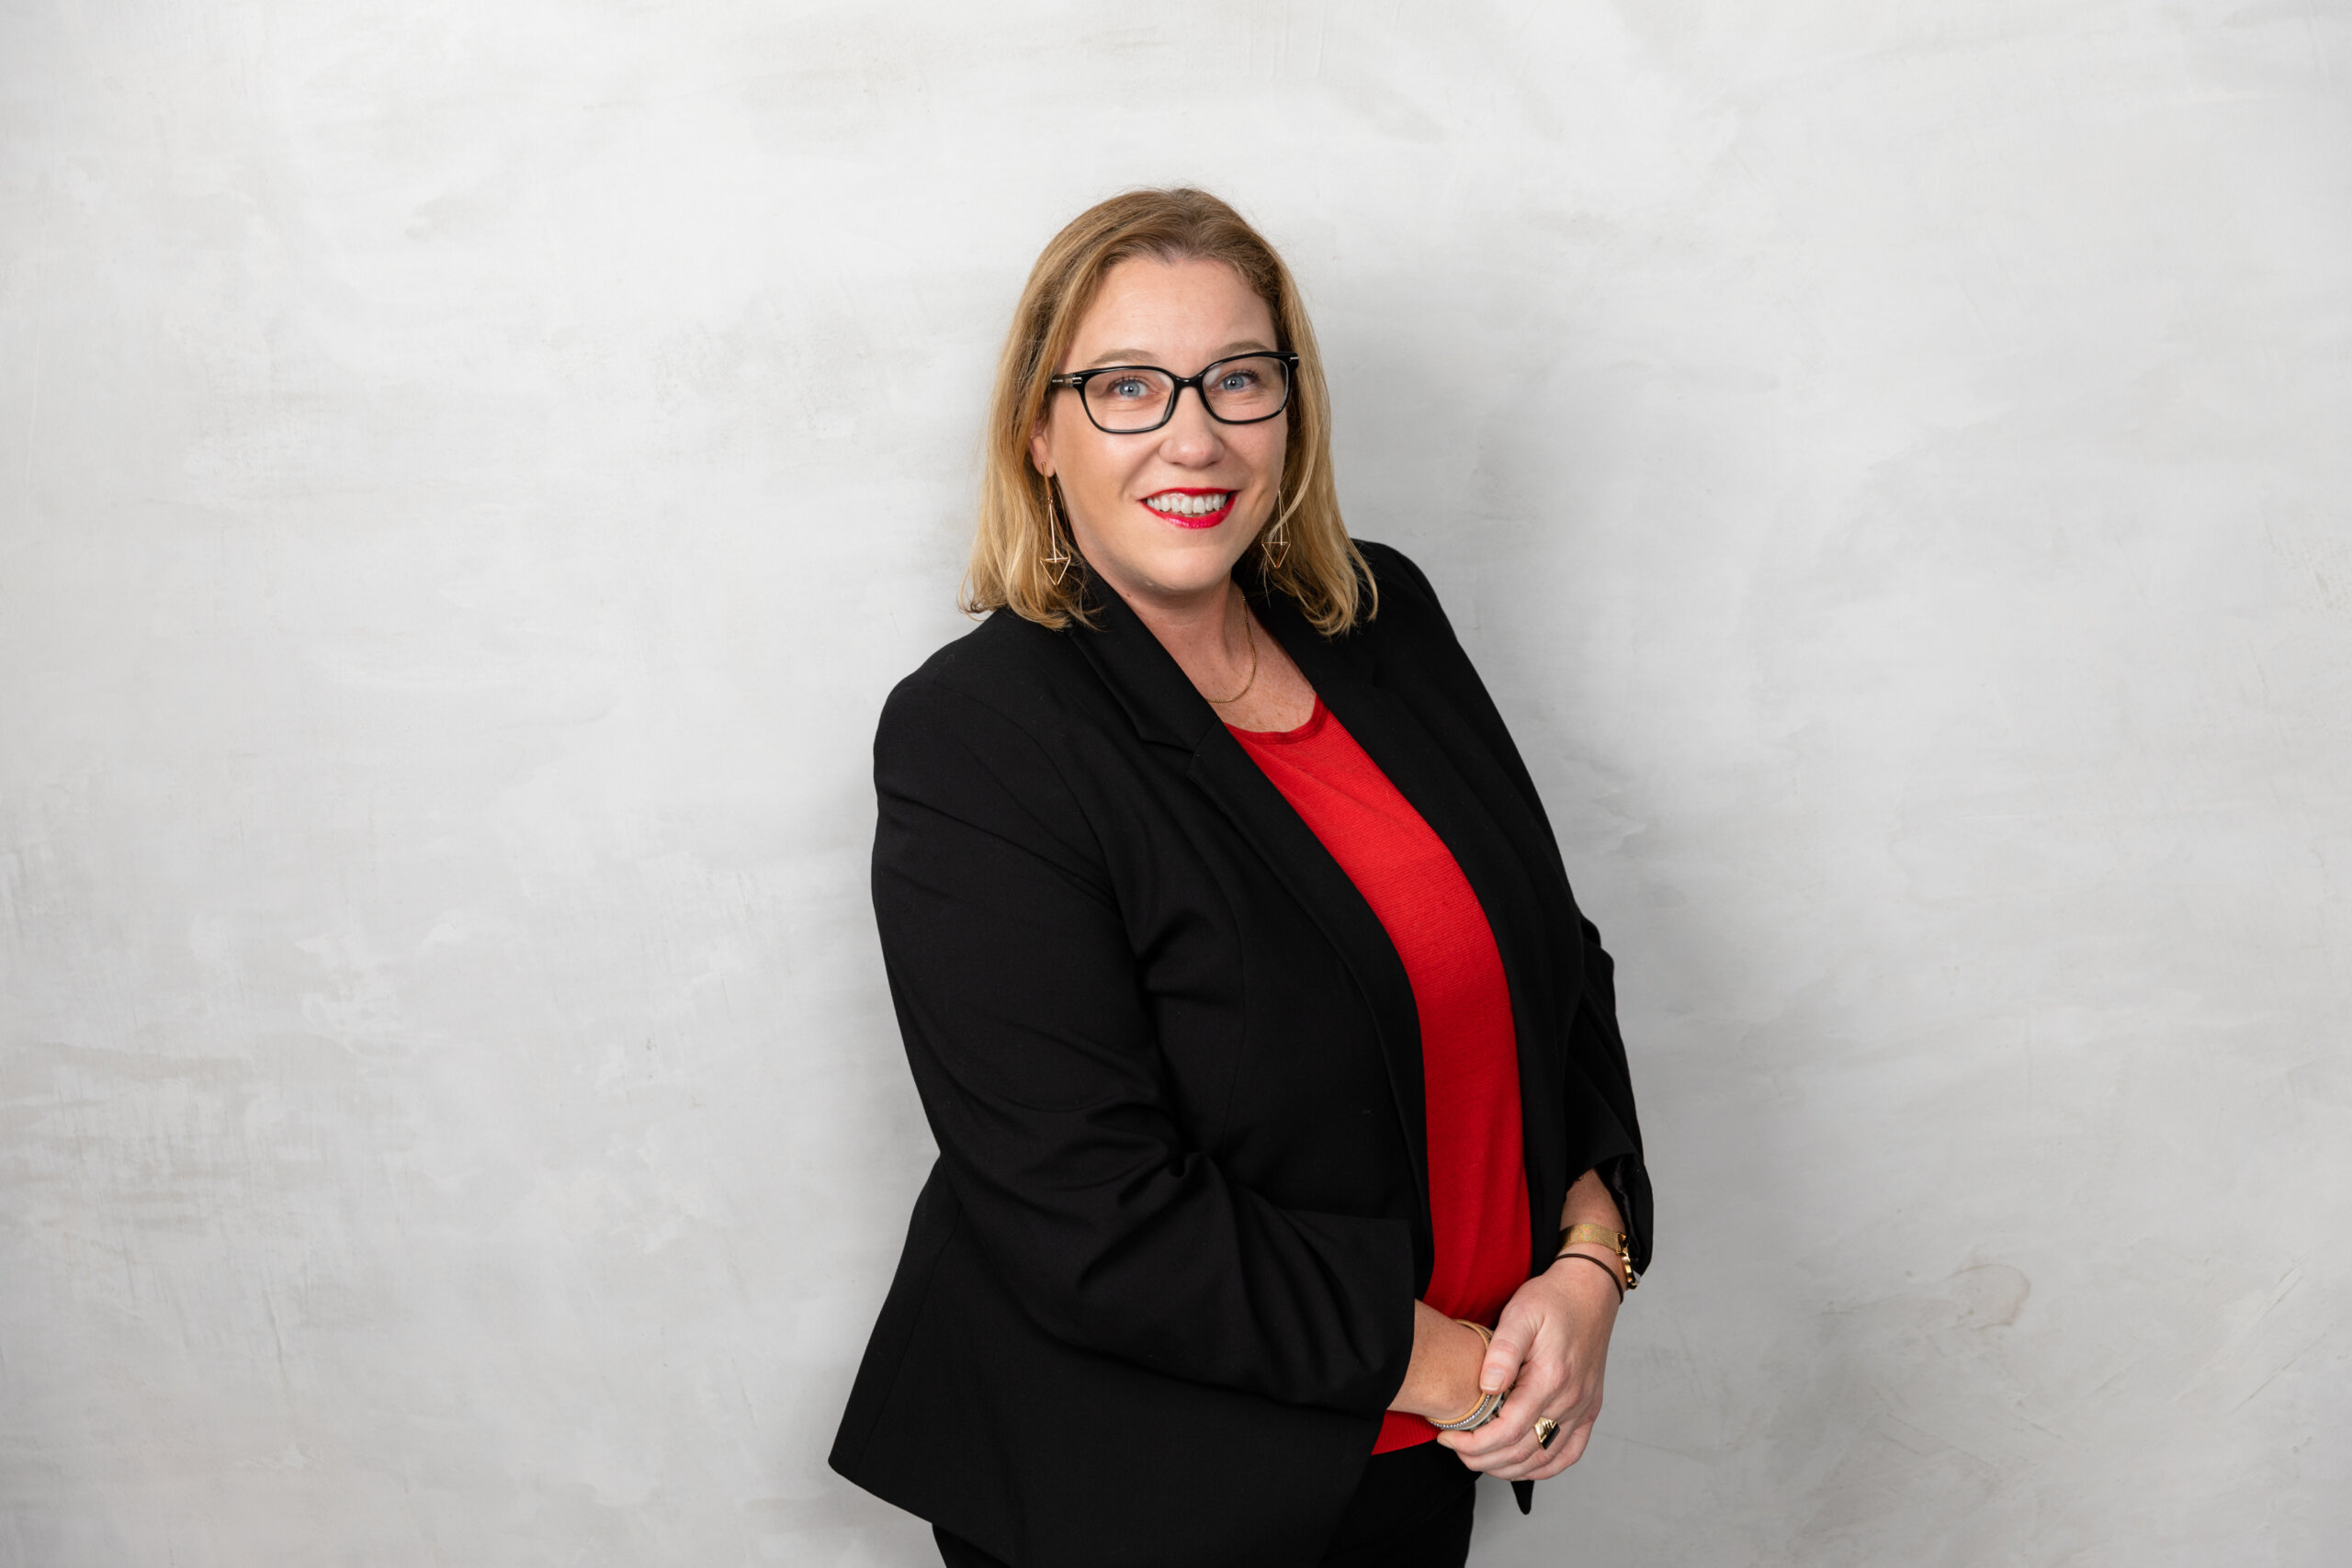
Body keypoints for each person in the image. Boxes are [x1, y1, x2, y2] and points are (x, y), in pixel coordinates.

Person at [829, 187, 1652, 1568]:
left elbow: (1551, 967)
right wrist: (1456, 1368)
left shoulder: (1381, 619)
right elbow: (1086, 1206)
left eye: (1239, 380)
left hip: (1408, 1456)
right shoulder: (981, 737)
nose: (1194, 435)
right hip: (1144, 1485)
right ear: (1040, 431)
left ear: (1293, 410)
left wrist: (1592, 1256)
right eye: (1128, 389)